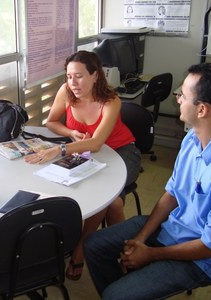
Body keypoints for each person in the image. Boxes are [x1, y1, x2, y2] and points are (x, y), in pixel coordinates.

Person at [84, 62, 211, 300]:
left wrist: (150, 254)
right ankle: (129, 285)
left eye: (182, 95)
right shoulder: (193, 138)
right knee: (94, 245)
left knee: (116, 295)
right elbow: (172, 194)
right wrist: (141, 240)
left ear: (202, 109)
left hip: (202, 258)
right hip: (173, 228)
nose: (177, 99)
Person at [24, 50, 141, 280]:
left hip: (121, 153)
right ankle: (124, 252)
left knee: (109, 201)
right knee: (113, 204)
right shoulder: (66, 92)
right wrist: (71, 132)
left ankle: (79, 251)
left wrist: (60, 149)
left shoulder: (111, 100)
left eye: (79, 76)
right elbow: (52, 122)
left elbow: (97, 142)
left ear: (95, 75)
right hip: (86, 153)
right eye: (68, 76)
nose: (72, 83)